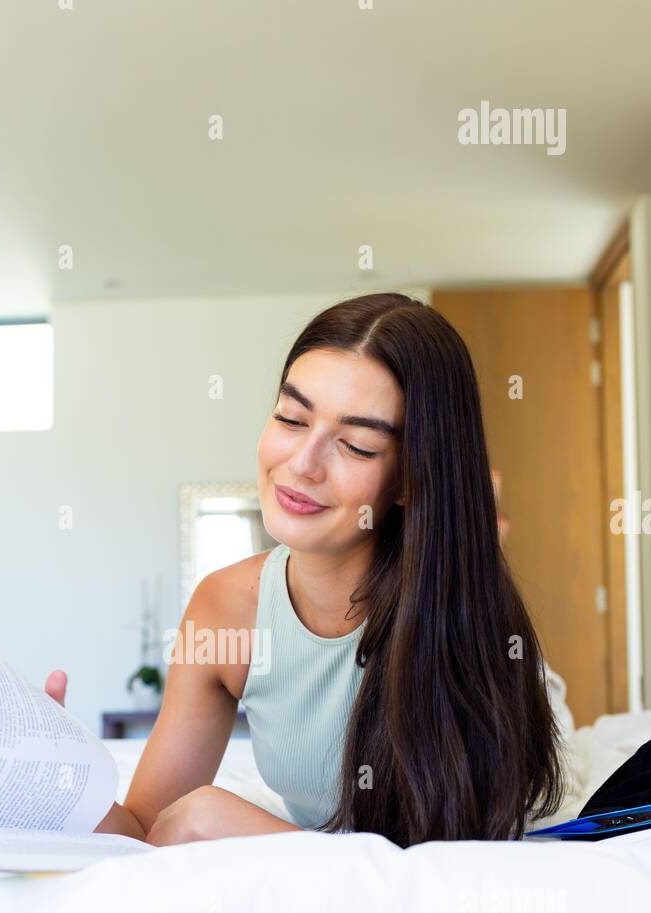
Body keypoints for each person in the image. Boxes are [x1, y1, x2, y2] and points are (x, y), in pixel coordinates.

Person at [46, 293, 566, 849]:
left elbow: (455, 857)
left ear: (412, 479)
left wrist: (238, 825)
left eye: (357, 446)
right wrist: (52, 778)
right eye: (291, 418)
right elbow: (144, 832)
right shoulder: (225, 610)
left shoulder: (464, 615)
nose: (302, 464)